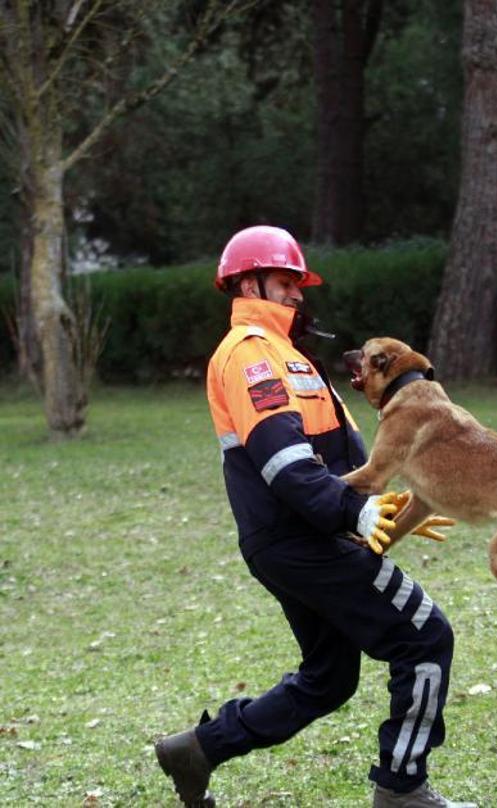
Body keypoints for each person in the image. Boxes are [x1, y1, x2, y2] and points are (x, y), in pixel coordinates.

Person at [154, 226, 476, 808]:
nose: (298, 293)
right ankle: (402, 791)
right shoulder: (249, 352)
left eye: (299, 283)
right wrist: (354, 511)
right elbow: (284, 463)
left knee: (330, 676)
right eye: (284, 281)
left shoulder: (291, 355)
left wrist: (391, 502)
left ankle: (197, 749)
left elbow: (347, 452)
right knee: (425, 637)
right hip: (302, 537)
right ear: (247, 282)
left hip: (301, 535)